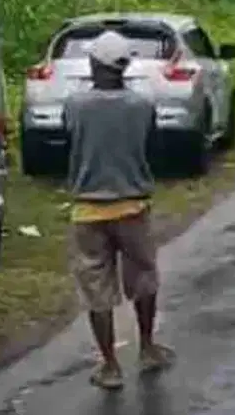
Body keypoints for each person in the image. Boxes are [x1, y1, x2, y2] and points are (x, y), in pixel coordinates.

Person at [62, 30, 175, 390]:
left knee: (97, 288)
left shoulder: (75, 104)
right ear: (124, 67)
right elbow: (151, 146)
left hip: (88, 211)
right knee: (143, 278)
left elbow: (70, 139)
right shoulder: (141, 105)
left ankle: (110, 366)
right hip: (133, 207)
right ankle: (147, 348)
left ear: (96, 65)